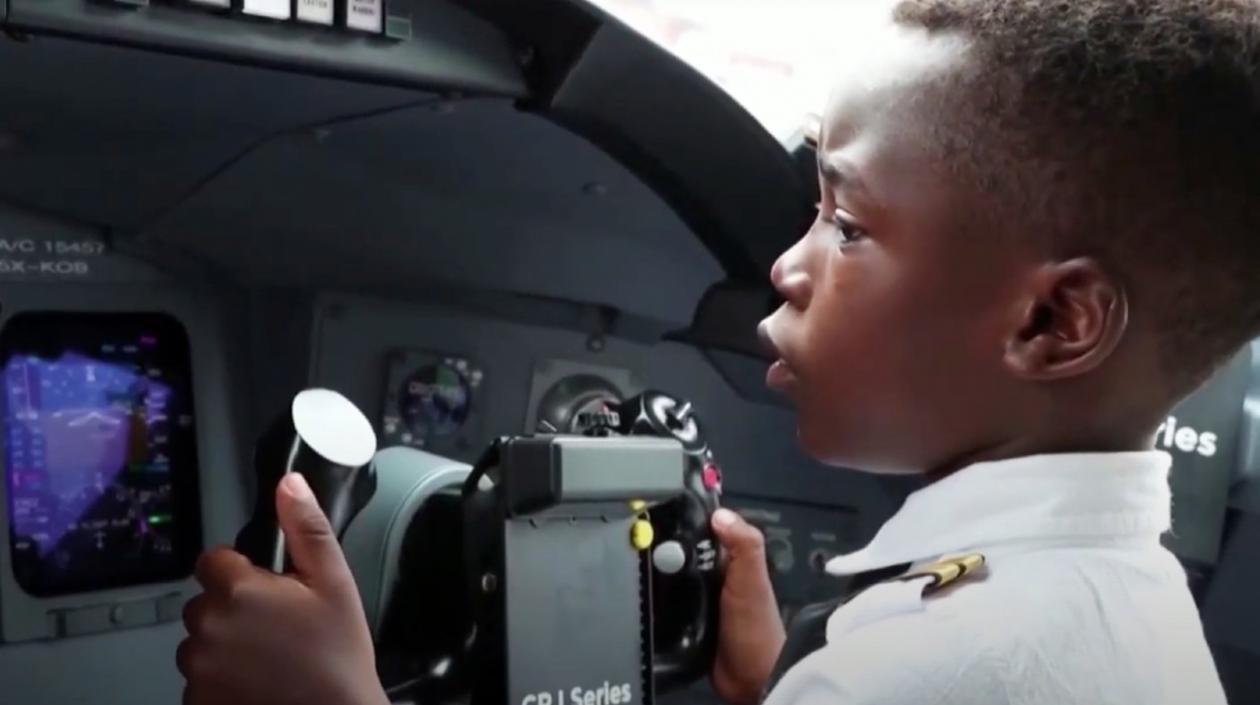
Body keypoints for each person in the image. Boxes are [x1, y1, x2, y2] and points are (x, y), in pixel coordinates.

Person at [178, 0, 1257, 703]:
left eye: (845, 222)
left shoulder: (924, 670)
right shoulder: (1122, 603)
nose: (787, 267)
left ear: (1051, 324)